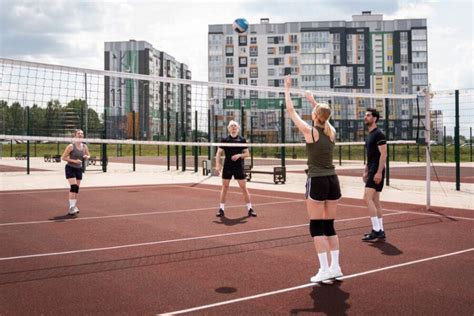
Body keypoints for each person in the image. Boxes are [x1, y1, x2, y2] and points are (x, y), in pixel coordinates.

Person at [284, 75, 342, 283]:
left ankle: (325, 270)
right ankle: (335, 267)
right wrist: (313, 100)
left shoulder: (311, 132)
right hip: (333, 181)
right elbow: (324, 116)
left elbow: (291, 111)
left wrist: (287, 89)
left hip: (317, 180)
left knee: (316, 227)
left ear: (315, 115)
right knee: (329, 226)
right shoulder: (331, 131)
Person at [215, 120, 256, 218]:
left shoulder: (242, 140)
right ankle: (221, 209)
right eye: (231, 126)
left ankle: (250, 209)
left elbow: (247, 154)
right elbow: (218, 153)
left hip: (238, 166)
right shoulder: (224, 140)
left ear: (238, 128)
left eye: (235, 126)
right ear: (228, 128)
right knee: (224, 188)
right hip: (228, 166)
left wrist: (239, 155)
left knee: (243, 188)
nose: (233, 127)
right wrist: (217, 164)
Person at [362, 108, 387, 241]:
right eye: (365, 115)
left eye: (368, 115)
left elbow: (384, 154)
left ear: (375, 118)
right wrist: (365, 170)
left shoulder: (379, 134)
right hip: (371, 169)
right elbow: (370, 156)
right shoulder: (370, 135)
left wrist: (378, 172)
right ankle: (381, 230)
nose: (365, 117)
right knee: (375, 201)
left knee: (366, 198)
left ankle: (376, 230)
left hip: (376, 170)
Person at [61, 129, 90, 216]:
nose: (80, 135)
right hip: (70, 168)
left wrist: (86, 156)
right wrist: (74, 161)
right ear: (75, 136)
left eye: (82, 134)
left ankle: (74, 206)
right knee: (73, 187)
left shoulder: (84, 146)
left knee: (76, 188)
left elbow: (89, 155)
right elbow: (63, 158)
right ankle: (71, 208)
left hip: (79, 169)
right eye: (79, 133)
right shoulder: (71, 146)